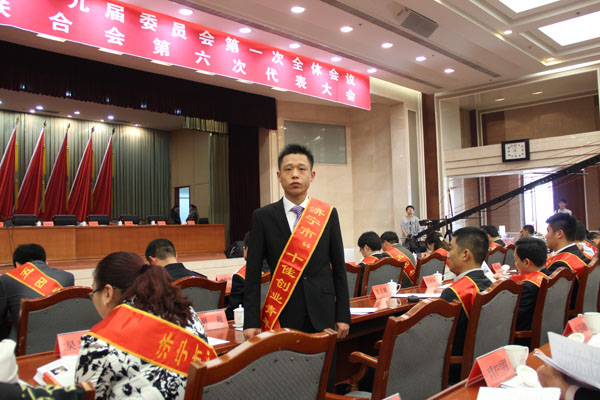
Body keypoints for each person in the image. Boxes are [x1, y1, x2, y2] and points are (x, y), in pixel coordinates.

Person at [243, 143, 350, 343]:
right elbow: (253, 273)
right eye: (288, 169)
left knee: (326, 364)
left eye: (301, 169)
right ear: (278, 176)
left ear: (312, 175)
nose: (295, 175)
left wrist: (343, 314)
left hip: (324, 310)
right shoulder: (262, 217)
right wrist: (251, 321)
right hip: (283, 311)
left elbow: (339, 269)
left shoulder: (327, 214)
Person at [76, 252, 213, 399]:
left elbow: (87, 395)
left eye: (93, 293)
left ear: (108, 293)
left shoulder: (99, 344)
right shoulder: (185, 311)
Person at [440, 227, 493, 382]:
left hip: (455, 374)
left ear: (465, 254)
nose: (447, 254)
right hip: (486, 365)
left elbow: (438, 341)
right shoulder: (490, 285)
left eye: (451, 248)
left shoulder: (453, 294)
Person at [0, 244, 74, 340]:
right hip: (63, 339)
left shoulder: (6, 279)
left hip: (26, 343)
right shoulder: (68, 277)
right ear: (46, 262)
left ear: (17, 264)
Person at [545, 213, 589, 309]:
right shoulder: (580, 254)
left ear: (559, 233)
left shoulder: (560, 265)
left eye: (548, 231)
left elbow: (547, 299)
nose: (545, 236)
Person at [508, 238, 550, 335]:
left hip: (523, 338)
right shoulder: (549, 275)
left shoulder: (527, 288)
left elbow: (512, 319)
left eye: (516, 260)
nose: (515, 264)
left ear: (526, 262)